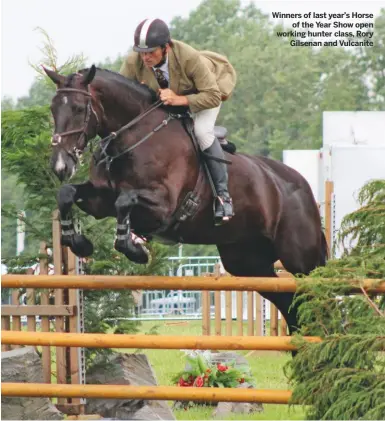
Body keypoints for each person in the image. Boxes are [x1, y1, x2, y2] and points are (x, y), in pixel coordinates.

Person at [120, 18, 237, 225]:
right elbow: (121, 95)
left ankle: (223, 197)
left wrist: (179, 99)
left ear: (166, 47)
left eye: (151, 52)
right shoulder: (134, 61)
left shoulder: (188, 58)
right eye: (142, 52)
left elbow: (212, 96)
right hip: (168, 100)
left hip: (204, 95)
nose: (145, 57)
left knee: (201, 132)